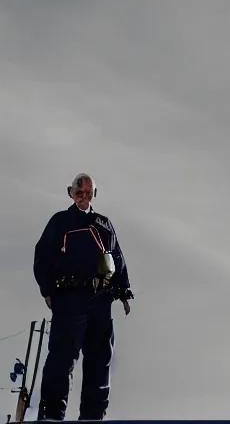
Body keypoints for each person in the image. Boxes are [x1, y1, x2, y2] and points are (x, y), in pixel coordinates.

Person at [33, 173, 134, 421]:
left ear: (94, 194)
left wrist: (123, 292)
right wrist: (47, 290)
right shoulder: (60, 221)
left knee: (99, 360)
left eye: (88, 193)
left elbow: (117, 258)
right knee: (62, 357)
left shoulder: (104, 224)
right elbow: (42, 256)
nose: (84, 197)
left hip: (100, 300)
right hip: (69, 299)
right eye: (79, 192)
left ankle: (93, 417)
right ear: (71, 193)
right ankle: (52, 415)